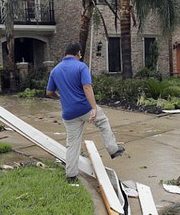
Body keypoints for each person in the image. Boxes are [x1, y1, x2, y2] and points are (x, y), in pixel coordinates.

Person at [46, 42, 125, 183]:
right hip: (84, 108)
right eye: (80, 54)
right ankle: (113, 149)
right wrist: (94, 107)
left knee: (72, 143)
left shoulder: (55, 70)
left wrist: (60, 97)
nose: (80, 56)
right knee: (102, 121)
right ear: (77, 53)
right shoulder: (81, 66)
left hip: (69, 113)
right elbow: (87, 87)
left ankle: (71, 175)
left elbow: (49, 92)